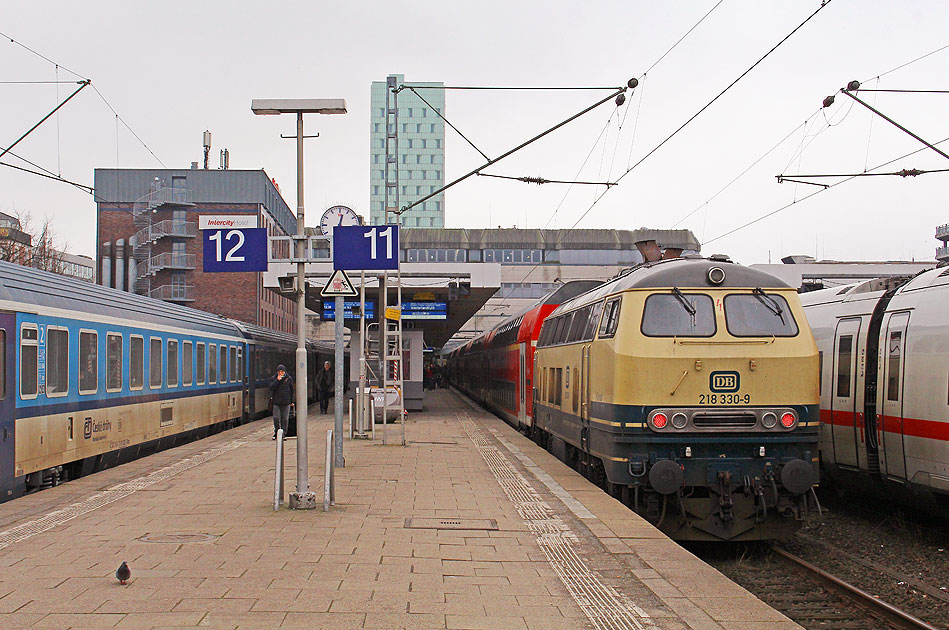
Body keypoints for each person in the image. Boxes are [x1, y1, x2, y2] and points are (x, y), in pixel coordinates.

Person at [269, 364, 294, 439]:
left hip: (286, 402)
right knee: (276, 418)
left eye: (282, 371)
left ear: (284, 371)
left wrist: (291, 401)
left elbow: (291, 390)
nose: (280, 373)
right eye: (279, 371)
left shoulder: (289, 379)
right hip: (276, 402)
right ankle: (277, 432)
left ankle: (283, 434)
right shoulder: (273, 378)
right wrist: (277, 380)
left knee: (285, 419)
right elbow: (271, 387)